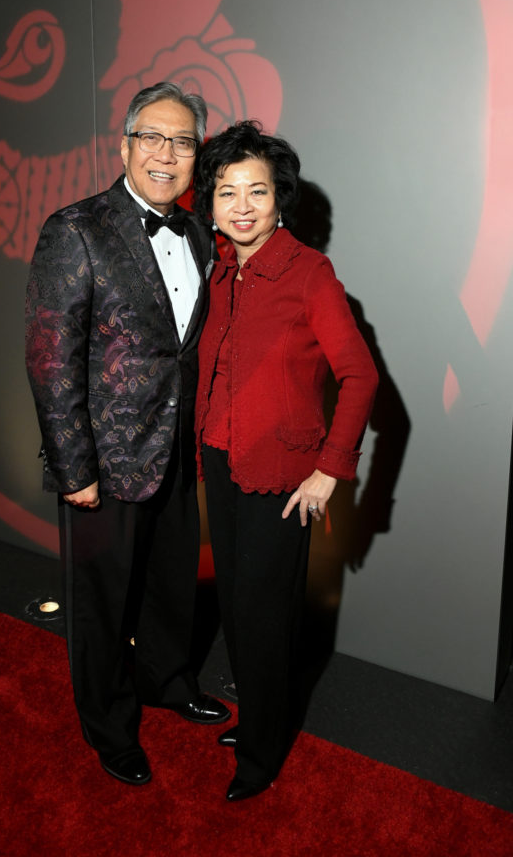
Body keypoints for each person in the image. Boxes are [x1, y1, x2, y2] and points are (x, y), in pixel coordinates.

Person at [25, 81, 230, 788]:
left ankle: (168, 682)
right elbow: (49, 359)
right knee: (102, 601)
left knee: (173, 583)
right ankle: (108, 725)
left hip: (177, 448)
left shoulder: (202, 231)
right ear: (123, 146)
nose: (166, 154)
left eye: (181, 141)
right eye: (152, 137)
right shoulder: (75, 229)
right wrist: (72, 466)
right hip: (105, 461)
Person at [193, 121, 378, 801]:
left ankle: (263, 751)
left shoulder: (308, 274)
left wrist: (330, 469)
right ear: (209, 202)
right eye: (226, 192)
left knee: (264, 618)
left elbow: (359, 377)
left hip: (280, 477)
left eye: (257, 191)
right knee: (237, 610)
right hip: (219, 461)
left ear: (280, 199)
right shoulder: (217, 268)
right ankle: (256, 720)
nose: (241, 206)